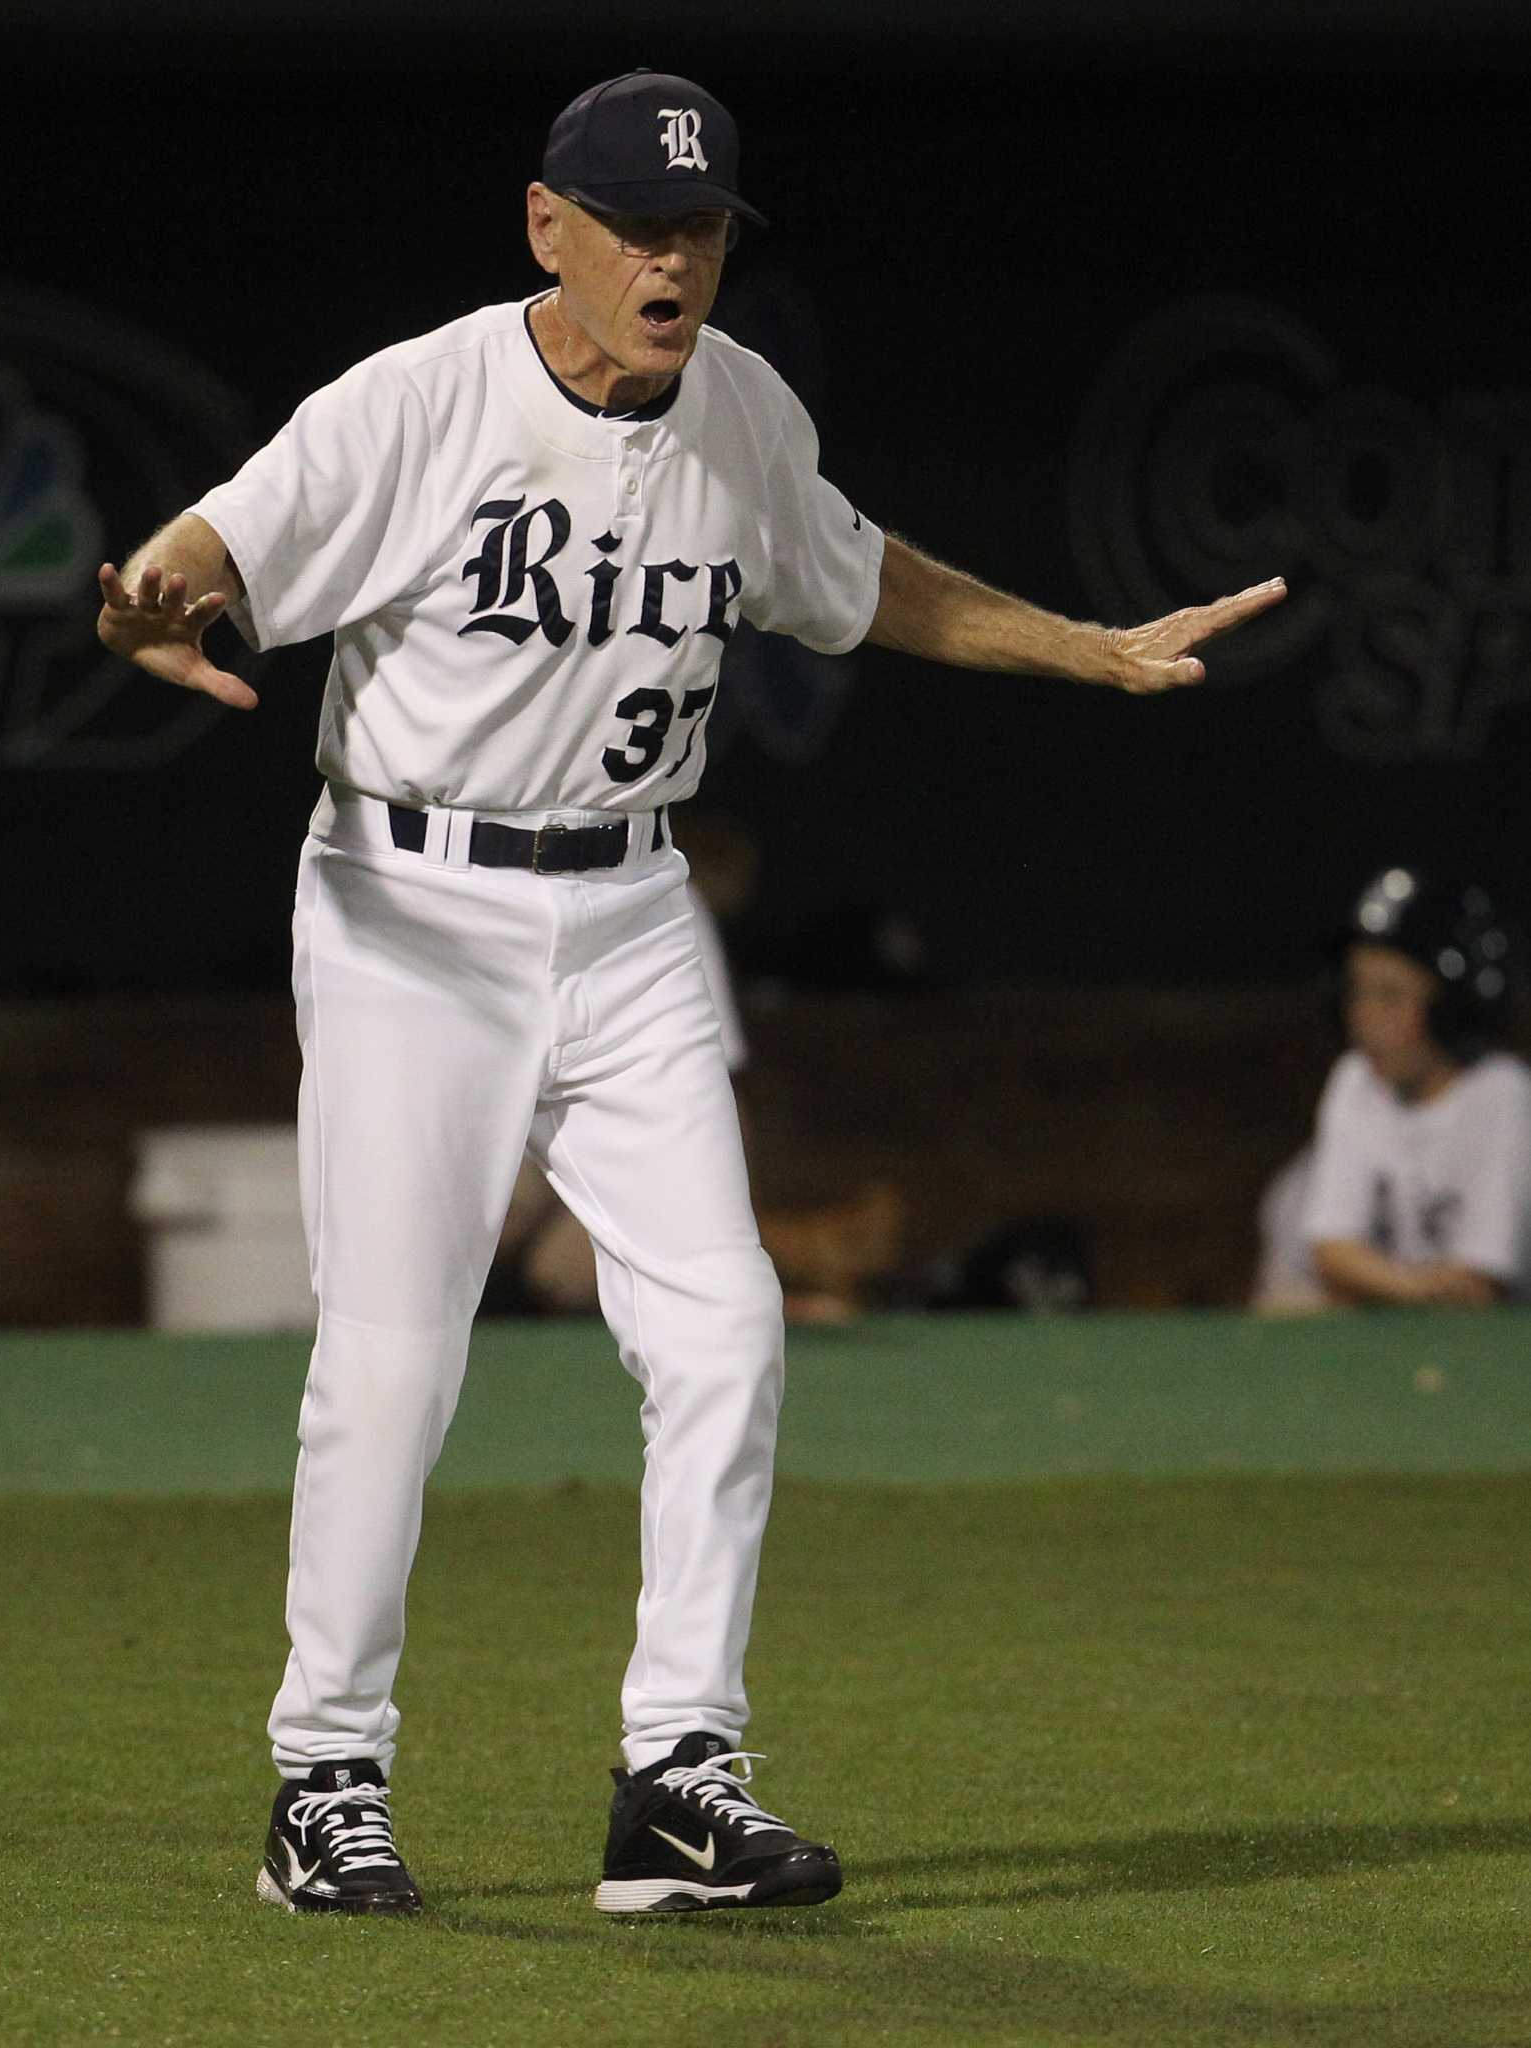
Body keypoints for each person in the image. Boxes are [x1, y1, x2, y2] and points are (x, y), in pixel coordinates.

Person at [94, 67, 1286, 1919]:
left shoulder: (739, 409)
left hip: (633, 906)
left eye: (701, 225)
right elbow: (223, 545)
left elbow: (847, 570)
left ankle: (675, 1778)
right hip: (413, 904)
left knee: (726, 1331)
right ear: (543, 228)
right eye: (636, 225)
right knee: (397, 1361)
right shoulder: (418, 403)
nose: (672, 258)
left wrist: (1082, 647)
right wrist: (145, 598)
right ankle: (323, 1773)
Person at [1285, 867, 1531, 1307]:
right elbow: (1331, 1254)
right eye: (1358, 992)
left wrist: (1370, 1283)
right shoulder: (1355, 1081)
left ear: (1453, 1010)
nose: (1362, 1016)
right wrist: (1421, 1287)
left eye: (1390, 995)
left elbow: (1478, 1287)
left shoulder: (1502, 1094)